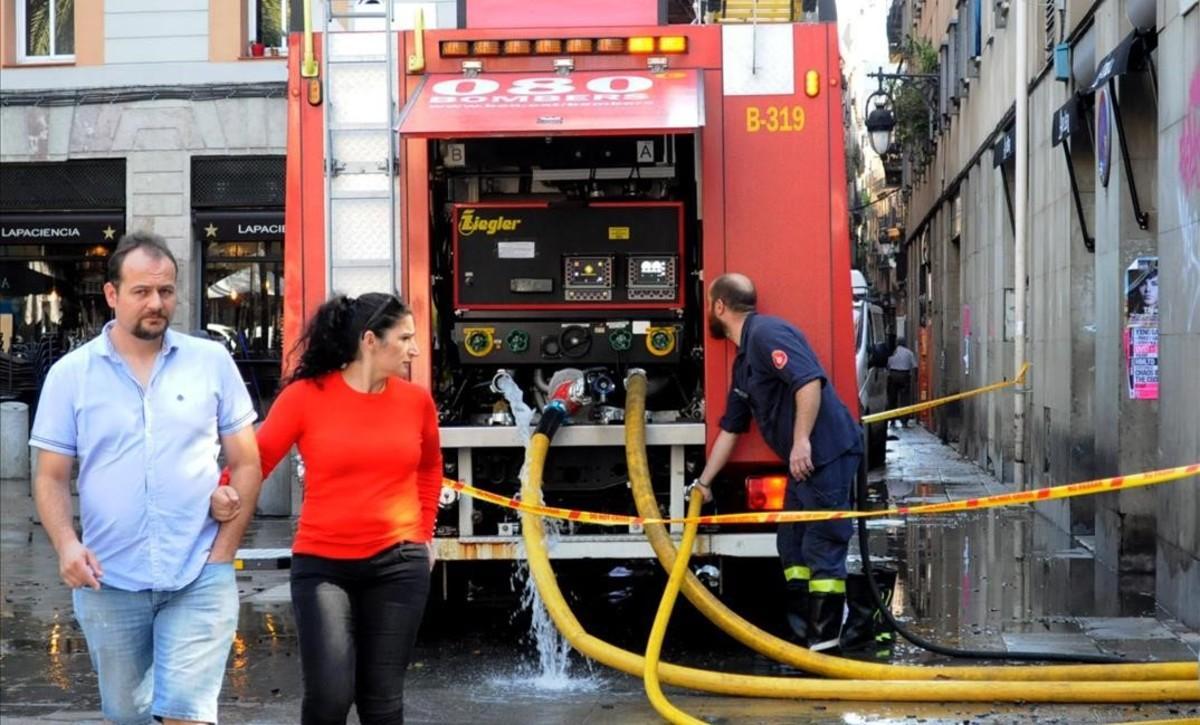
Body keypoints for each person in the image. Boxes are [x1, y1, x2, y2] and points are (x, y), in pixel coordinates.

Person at [29, 231, 262, 725]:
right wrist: (67, 545)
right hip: (110, 579)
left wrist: (222, 555)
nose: (156, 303)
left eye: (166, 291)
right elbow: (50, 476)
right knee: (129, 716)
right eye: (141, 292)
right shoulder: (71, 375)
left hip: (198, 572)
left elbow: (246, 461)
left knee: (186, 715)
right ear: (112, 295)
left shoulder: (211, 362)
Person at [212, 292, 441, 725]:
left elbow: (430, 470)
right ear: (370, 340)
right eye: (406, 338)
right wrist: (220, 492)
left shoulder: (416, 402)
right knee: (330, 698)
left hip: (399, 564)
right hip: (323, 566)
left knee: (382, 702)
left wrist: (425, 535)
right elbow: (254, 461)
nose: (414, 349)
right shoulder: (305, 397)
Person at [693, 273, 863, 650]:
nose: (707, 310)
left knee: (823, 544)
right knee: (792, 544)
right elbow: (732, 427)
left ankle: (824, 650)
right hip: (805, 464)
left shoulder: (768, 335)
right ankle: (803, 637)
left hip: (825, 454)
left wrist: (801, 441)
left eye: (708, 303)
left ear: (719, 306)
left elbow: (808, 381)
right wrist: (703, 483)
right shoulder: (745, 361)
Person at [886, 338, 918, 428]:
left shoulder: (892, 353)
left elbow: (887, 365)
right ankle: (904, 421)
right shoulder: (909, 353)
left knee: (892, 399)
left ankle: (892, 420)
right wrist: (916, 378)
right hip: (904, 376)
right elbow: (915, 366)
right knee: (905, 399)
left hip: (893, 376)